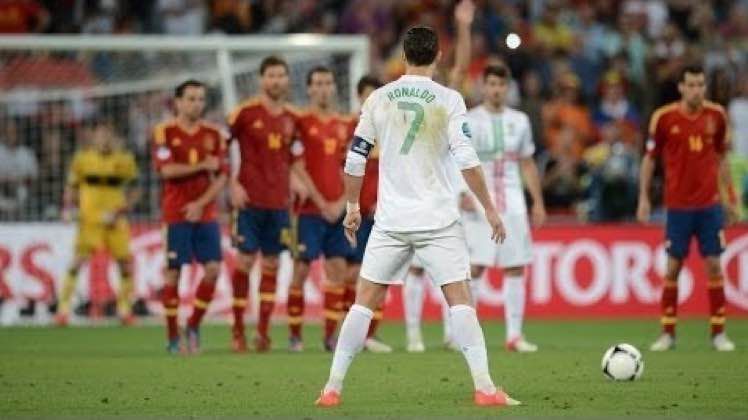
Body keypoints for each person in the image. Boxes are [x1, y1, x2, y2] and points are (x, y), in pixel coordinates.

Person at [316, 26, 521, 408]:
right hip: (437, 220)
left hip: (390, 221)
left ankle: (331, 389)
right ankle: (485, 388)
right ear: (438, 56)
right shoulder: (448, 99)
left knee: (363, 302)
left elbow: (355, 158)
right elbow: (467, 160)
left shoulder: (378, 98)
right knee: (460, 299)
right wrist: (490, 209)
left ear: (404, 56)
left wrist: (352, 207)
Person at [637, 64, 737, 352]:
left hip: (709, 205)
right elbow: (649, 160)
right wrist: (644, 198)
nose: (696, 90)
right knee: (672, 268)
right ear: (681, 87)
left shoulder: (716, 116)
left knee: (714, 266)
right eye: (691, 85)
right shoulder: (664, 118)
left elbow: (722, 159)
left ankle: (718, 333)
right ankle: (668, 333)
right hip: (678, 206)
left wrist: (731, 198)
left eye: (700, 85)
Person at [460, 63, 546, 352]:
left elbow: (527, 163)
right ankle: (467, 335)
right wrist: (461, 193)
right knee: (474, 267)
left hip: (513, 201)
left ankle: (514, 336)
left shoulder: (520, 121)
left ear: (507, 88)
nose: (496, 90)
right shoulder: (469, 120)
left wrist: (538, 201)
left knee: (515, 266)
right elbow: (457, 159)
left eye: (501, 85)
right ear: (483, 87)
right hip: (478, 202)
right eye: (491, 84)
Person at [227, 56, 306, 353]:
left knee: (272, 264)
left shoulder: (294, 118)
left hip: (279, 204)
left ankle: (262, 332)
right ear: (262, 80)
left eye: (281, 75)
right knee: (245, 263)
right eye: (271, 75)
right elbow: (219, 148)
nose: (276, 81)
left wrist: (297, 180)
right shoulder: (244, 113)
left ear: (287, 80)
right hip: (249, 202)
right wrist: (232, 184)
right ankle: (237, 329)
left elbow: (295, 158)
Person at [152, 79, 228, 354]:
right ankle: (173, 336)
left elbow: (222, 176)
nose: (197, 104)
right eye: (191, 99)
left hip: (205, 213)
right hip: (175, 213)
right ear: (178, 102)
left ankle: (193, 325)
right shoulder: (164, 132)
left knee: (213, 270)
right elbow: (166, 171)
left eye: (200, 99)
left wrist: (200, 203)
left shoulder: (214, 134)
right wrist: (201, 165)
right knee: (173, 273)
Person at [287, 66, 355, 352]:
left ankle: (330, 336)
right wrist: (320, 201)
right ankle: (295, 336)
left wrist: (340, 203)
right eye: (318, 83)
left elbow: (351, 168)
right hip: (308, 212)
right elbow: (296, 165)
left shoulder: (345, 124)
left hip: (337, 210)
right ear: (309, 88)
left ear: (334, 87)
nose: (324, 88)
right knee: (301, 270)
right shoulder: (300, 122)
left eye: (328, 82)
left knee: (337, 270)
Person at [56, 121, 139, 326]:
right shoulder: (82, 159)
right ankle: (63, 309)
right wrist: (68, 208)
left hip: (115, 220)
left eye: (107, 135)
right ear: (93, 137)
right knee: (78, 260)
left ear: (113, 137)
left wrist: (122, 210)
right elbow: (71, 187)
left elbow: (136, 190)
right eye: (100, 135)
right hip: (89, 220)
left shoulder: (124, 160)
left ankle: (124, 309)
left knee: (125, 263)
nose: (104, 139)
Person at [341, 75, 392, 353]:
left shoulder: (391, 128)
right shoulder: (351, 128)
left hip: (383, 213)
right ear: (359, 97)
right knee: (351, 272)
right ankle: (348, 330)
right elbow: (345, 169)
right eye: (367, 95)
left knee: (380, 274)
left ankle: (369, 334)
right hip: (357, 212)